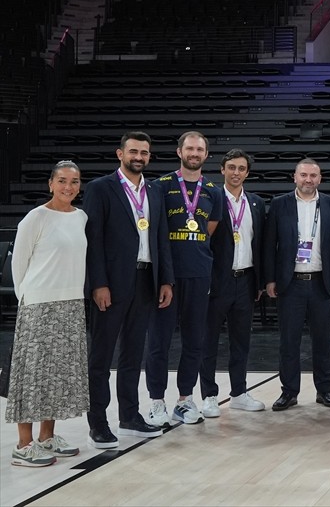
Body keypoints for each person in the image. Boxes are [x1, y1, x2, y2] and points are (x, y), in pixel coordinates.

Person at [82, 131, 174, 449]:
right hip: (112, 283)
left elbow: (161, 238)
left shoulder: (155, 191)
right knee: (101, 356)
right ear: (120, 153)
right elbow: (93, 242)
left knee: (134, 353)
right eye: (133, 151)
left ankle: (130, 417)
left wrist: (166, 280)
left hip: (146, 280)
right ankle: (98, 422)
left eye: (144, 152)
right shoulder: (100, 188)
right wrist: (99, 283)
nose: (139, 156)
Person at [7, 161, 89, 467]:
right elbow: (19, 266)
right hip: (39, 305)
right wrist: (27, 300)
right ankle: (23, 445)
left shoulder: (81, 217)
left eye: (75, 181)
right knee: (31, 375)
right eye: (63, 181)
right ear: (50, 184)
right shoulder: (35, 217)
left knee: (56, 375)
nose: (69, 187)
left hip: (71, 302)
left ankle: (47, 437)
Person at [146, 131, 224, 427]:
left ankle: (184, 400)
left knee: (195, 341)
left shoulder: (213, 192)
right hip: (166, 276)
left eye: (200, 149)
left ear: (206, 154)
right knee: (159, 342)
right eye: (189, 148)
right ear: (179, 151)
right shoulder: (160, 186)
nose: (194, 153)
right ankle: (155, 402)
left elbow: (208, 229)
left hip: (199, 273)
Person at [263, 158, 330, 411]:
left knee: (323, 341)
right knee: (289, 342)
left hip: (322, 282)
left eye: (313, 175)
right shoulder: (279, 204)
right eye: (304, 175)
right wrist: (270, 279)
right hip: (291, 283)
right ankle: (289, 392)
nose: (308, 180)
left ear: (320, 179)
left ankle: (324, 390)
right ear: (294, 177)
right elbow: (269, 245)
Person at [199, 148, 268, 418]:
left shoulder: (256, 203)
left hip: (246, 279)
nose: (236, 173)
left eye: (241, 168)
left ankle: (239, 392)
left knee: (242, 341)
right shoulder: (211, 197)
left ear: (247, 173)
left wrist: (260, 281)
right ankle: (209, 395)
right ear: (222, 170)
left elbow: (259, 244)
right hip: (218, 280)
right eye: (231, 168)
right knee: (210, 341)